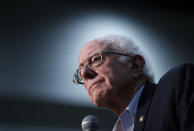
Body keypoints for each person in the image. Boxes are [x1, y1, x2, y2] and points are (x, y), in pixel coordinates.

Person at [73, 34, 194, 131]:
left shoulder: (176, 85)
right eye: (80, 71)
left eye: (95, 59)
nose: (84, 74)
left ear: (134, 65)